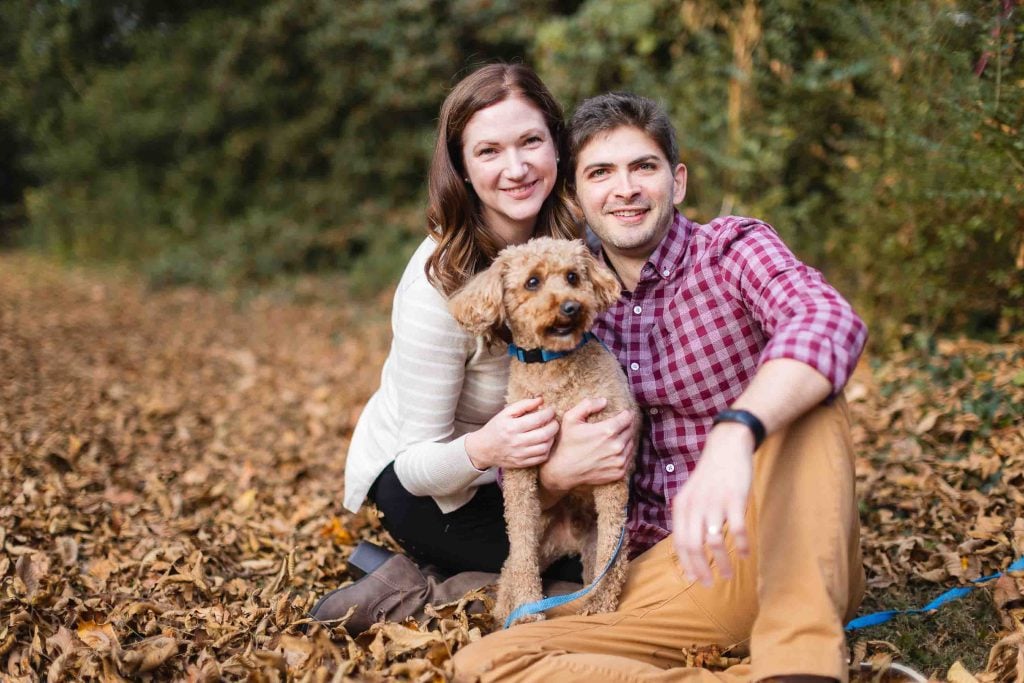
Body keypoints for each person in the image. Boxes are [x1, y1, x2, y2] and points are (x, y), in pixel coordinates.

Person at [452, 92, 868, 682]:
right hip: (663, 573)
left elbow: (828, 320)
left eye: (642, 167)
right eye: (600, 173)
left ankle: (800, 663)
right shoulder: (571, 290)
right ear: (576, 194)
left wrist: (737, 430)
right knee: (488, 662)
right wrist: (558, 472)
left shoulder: (732, 250)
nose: (624, 189)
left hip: (774, 539)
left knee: (810, 395)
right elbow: (529, 485)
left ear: (677, 182)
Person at [310, 65, 633, 633]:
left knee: (610, 561)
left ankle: (474, 581)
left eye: (531, 141)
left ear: (557, 147)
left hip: (534, 471)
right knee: (556, 579)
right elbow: (417, 467)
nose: (516, 168)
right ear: (461, 167)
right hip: (435, 488)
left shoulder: (573, 237)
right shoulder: (436, 288)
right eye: (489, 150)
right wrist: (494, 449)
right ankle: (420, 584)